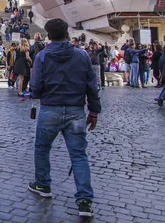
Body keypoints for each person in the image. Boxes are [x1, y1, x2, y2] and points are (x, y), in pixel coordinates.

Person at [28, 18, 101, 218]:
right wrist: (93, 111)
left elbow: (35, 88)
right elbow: (91, 86)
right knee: (79, 155)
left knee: (42, 149)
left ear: (48, 36)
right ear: (67, 34)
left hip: (50, 109)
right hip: (76, 110)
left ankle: (43, 184)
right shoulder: (82, 55)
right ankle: (84, 200)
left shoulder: (42, 57)